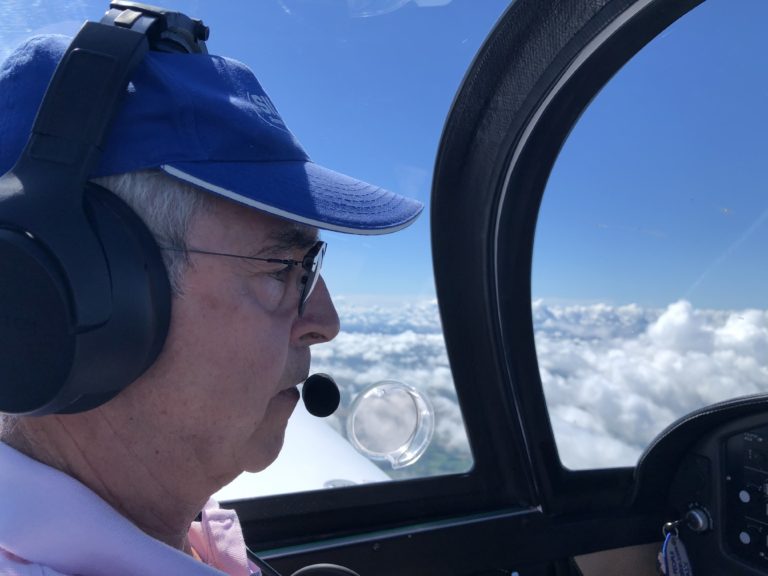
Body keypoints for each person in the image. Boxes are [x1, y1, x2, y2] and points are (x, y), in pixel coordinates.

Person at [0, 10, 422, 576]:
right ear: (66, 294)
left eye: (310, 266)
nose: (326, 319)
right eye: (281, 266)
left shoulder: (185, 535)